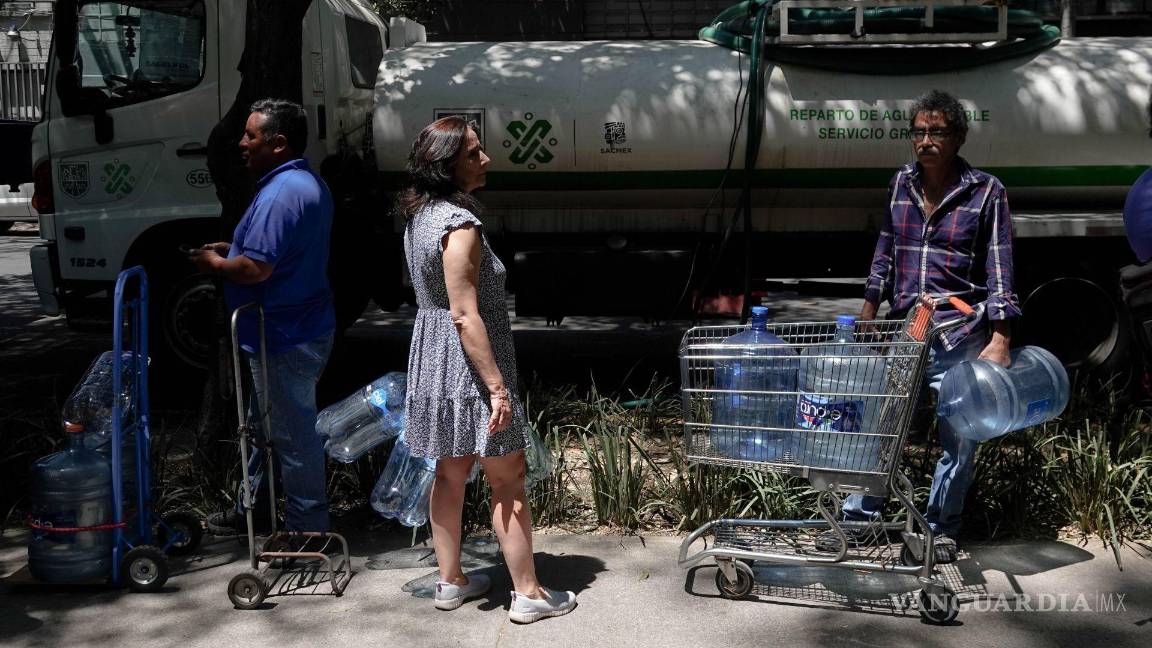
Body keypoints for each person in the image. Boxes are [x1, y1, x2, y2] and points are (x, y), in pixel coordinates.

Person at [828, 89, 1020, 563]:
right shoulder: (901, 184)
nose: (926, 140)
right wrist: (869, 314)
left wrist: (1000, 338)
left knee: (960, 438)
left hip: (959, 334)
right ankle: (859, 520)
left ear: (958, 137)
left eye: (937, 131)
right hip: (906, 333)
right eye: (919, 131)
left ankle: (938, 529)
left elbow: (1000, 268)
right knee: (882, 429)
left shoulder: (986, 191)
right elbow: (884, 253)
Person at [399, 116, 577, 623]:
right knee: (507, 480)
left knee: (450, 473)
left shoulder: (420, 217)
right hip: (470, 367)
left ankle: (450, 582)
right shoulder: (459, 225)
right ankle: (528, 594)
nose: (485, 160)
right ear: (445, 165)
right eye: (473, 153)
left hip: (433, 360)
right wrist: (497, 389)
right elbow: (464, 313)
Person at [192, 98, 336, 536]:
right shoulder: (302, 184)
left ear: (278, 143)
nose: (242, 143)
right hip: (291, 328)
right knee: (261, 427)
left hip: (284, 333)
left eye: (251, 135)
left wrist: (216, 265)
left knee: (292, 438)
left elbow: (258, 268)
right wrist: (232, 251)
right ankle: (252, 510)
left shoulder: (280, 194)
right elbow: (272, 253)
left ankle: (308, 533)